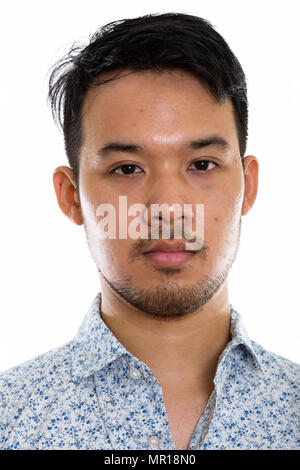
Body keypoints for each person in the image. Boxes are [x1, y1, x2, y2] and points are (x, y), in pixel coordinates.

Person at [0, 12, 299, 451]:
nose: (167, 207)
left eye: (201, 165)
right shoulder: (9, 418)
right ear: (71, 196)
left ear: (247, 186)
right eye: (127, 168)